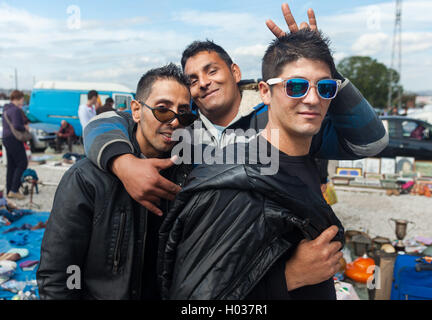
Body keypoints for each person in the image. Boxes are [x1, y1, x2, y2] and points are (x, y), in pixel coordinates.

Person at [82, 5, 388, 217]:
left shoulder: (283, 117)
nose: (203, 83)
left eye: (211, 71)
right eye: (192, 79)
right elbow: (107, 121)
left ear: (235, 71)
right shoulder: (183, 126)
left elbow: (370, 142)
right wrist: (122, 164)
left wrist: (322, 68)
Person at [158, 29, 345, 300]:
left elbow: (372, 139)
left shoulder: (302, 160)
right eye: (296, 86)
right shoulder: (236, 183)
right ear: (265, 93)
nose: (313, 99)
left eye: (325, 87)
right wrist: (288, 277)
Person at [36, 64, 196, 300]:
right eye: (163, 110)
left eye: (183, 113)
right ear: (136, 110)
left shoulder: (188, 173)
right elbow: (58, 275)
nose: (174, 121)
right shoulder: (87, 179)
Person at [1, 90, 28, 200]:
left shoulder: (6, 109)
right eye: (22, 99)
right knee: (22, 162)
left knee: (11, 165)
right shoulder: (16, 110)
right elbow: (17, 125)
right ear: (18, 98)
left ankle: (9, 191)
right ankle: (14, 190)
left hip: (6, 138)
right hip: (14, 139)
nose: (23, 101)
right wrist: (25, 128)